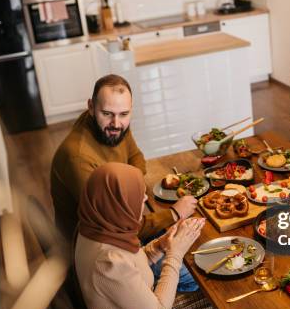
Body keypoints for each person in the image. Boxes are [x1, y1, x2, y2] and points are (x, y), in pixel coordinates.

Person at [74, 163, 246, 309]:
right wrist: (175, 253)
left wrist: (160, 245)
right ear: (117, 204)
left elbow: (133, 267)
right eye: (139, 195)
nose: (146, 198)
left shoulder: (98, 227)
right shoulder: (108, 261)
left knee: (226, 308)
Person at [51, 74, 198, 291]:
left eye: (124, 114)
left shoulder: (114, 127)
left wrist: (131, 190)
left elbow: (136, 156)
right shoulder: (78, 158)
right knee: (197, 275)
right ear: (91, 107)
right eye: (107, 114)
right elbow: (117, 228)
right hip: (102, 257)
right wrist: (173, 213)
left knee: (193, 243)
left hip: (124, 231)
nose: (116, 123)